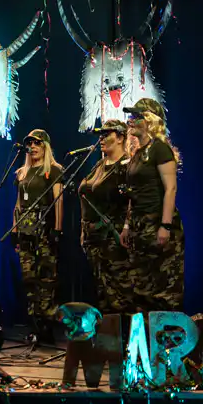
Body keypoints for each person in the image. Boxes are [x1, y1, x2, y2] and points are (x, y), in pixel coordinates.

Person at [122, 98, 184, 311]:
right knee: (141, 288)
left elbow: (171, 188)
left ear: (149, 120)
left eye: (136, 116)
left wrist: (165, 225)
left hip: (157, 221)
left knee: (165, 287)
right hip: (139, 226)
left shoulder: (160, 149)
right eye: (131, 116)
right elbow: (132, 194)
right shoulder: (137, 154)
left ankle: (169, 329)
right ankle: (147, 330)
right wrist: (127, 225)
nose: (130, 120)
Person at [12, 129, 63, 342]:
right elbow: (18, 204)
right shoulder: (22, 173)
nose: (32, 147)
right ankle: (35, 324)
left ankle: (47, 324)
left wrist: (57, 229)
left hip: (44, 230)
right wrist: (14, 230)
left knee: (46, 277)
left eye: (37, 143)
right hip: (25, 231)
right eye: (30, 143)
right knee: (29, 278)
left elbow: (59, 200)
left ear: (45, 146)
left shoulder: (54, 170)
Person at [77, 120, 132, 314]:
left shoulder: (127, 166)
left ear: (120, 138)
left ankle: (124, 330)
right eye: (100, 135)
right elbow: (85, 196)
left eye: (106, 134)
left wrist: (126, 227)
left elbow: (132, 201)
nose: (101, 139)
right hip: (93, 237)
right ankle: (110, 330)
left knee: (119, 291)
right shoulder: (99, 165)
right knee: (102, 292)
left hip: (113, 237)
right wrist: (83, 229)